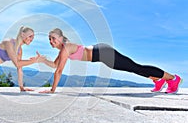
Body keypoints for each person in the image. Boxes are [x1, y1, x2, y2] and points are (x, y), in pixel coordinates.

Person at [39, 28, 183, 94]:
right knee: (133, 68)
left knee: (136, 67)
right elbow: (55, 65)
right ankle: (158, 80)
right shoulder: (63, 50)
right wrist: (43, 60)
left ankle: (173, 78)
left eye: (53, 38)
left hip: (103, 53)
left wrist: (52, 90)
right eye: (49, 39)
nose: (51, 41)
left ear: (60, 38)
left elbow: (59, 70)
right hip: (102, 56)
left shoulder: (66, 48)